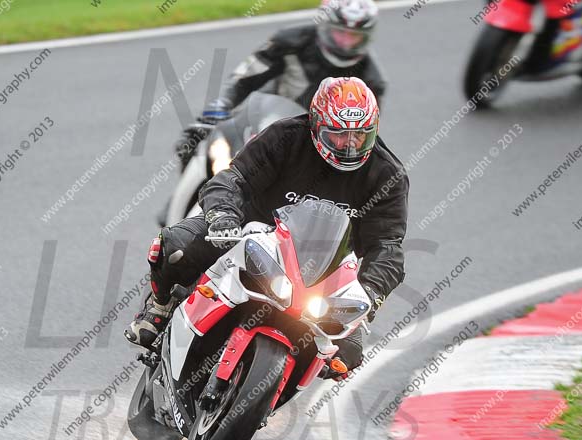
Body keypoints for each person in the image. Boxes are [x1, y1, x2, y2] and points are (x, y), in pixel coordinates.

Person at [126, 77, 408, 381]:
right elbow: (233, 178)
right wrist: (223, 215)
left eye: (359, 137)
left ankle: (274, 389)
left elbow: (387, 247)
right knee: (174, 247)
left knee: (347, 355)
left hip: (323, 266)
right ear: (315, 125)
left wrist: (370, 292)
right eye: (337, 136)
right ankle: (159, 305)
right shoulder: (285, 137)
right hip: (250, 229)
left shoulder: (387, 175)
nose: (348, 147)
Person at [176, 0, 388, 168]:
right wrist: (221, 106)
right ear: (324, 24)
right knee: (195, 141)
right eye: (340, 32)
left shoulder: (371, 81)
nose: (345, 43)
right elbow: (244, 79)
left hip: (315, 147)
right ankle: (174, 211)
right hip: (262, 122)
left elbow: (362, 133)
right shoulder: (288, 41)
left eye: (354, 37)